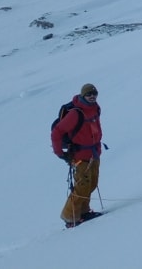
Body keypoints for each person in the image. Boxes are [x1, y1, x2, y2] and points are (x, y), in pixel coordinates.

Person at [51, 83, 104, 228]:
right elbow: (57, 132)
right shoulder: (76, 113)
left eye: (94, 93)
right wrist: (60, 154)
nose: (92, 96)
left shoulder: (95, 109)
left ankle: (84, 211)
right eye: (89, 94)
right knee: (82, 186)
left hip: (94, 152)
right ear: (83, 95)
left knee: (91, 183)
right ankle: (70, 216)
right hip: (80, 154)